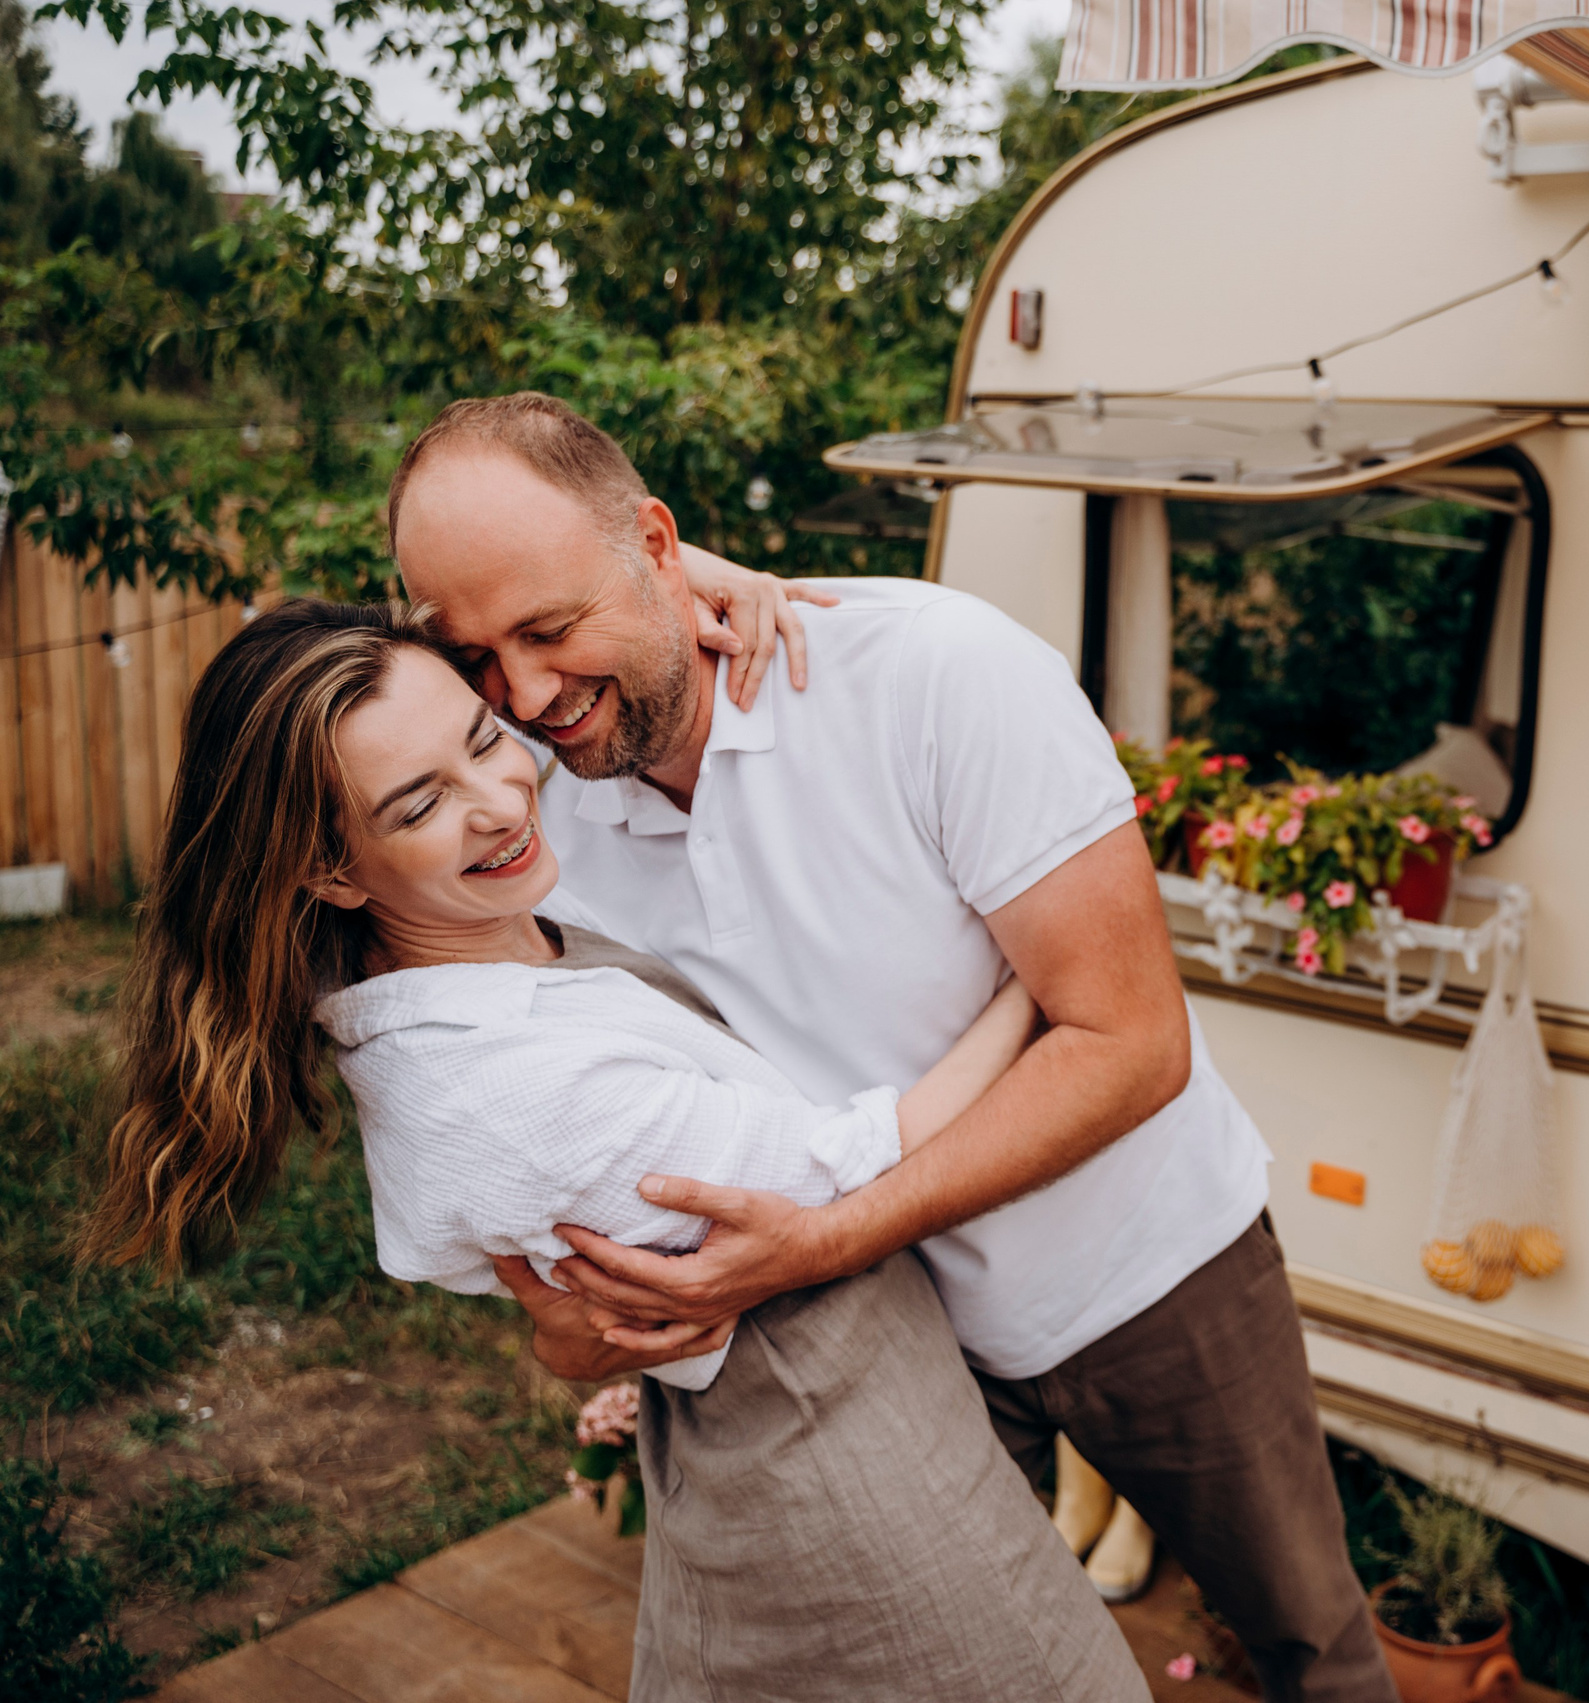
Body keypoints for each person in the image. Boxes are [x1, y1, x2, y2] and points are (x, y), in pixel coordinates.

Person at [392, 392, 1399, 1703]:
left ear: (655, 542)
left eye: (551, 626)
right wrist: (576, 1325)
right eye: (478, 654)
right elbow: (337, 700)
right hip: (889, 1337)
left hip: (1149, 1276)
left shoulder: (932, 675)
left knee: (1309, 1642)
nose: (525, 695)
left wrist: (830, 1234)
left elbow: (1132, 1039)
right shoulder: (520, 803)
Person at [84, 600, 1150, 1703]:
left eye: (486, 738)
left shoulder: (471, 930)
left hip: (852, 1430)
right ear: (332, 870)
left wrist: (677, 569)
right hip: (845, 1481)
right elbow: (861, 1158)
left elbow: (501, 575)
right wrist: (1040, 974)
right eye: (420, 803)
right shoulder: (509, 1092)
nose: (502, 801)